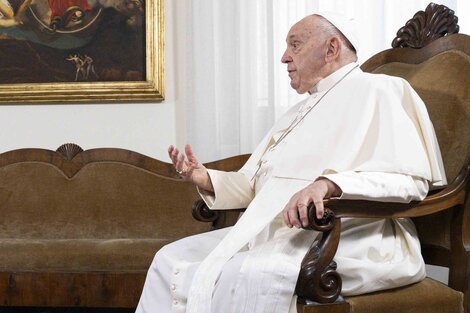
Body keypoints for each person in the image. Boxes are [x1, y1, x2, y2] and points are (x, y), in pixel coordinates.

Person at [136, 11, 446, 313]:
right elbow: (257, 185)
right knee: (169, 259)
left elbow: (410, 181)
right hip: (277, 233)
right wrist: (206, 179)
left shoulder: (381, 90)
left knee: (242, 275)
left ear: (332, 48)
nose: (284, 57)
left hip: (351, 235)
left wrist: (329, 185)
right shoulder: (298, 112)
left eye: (295, 44)